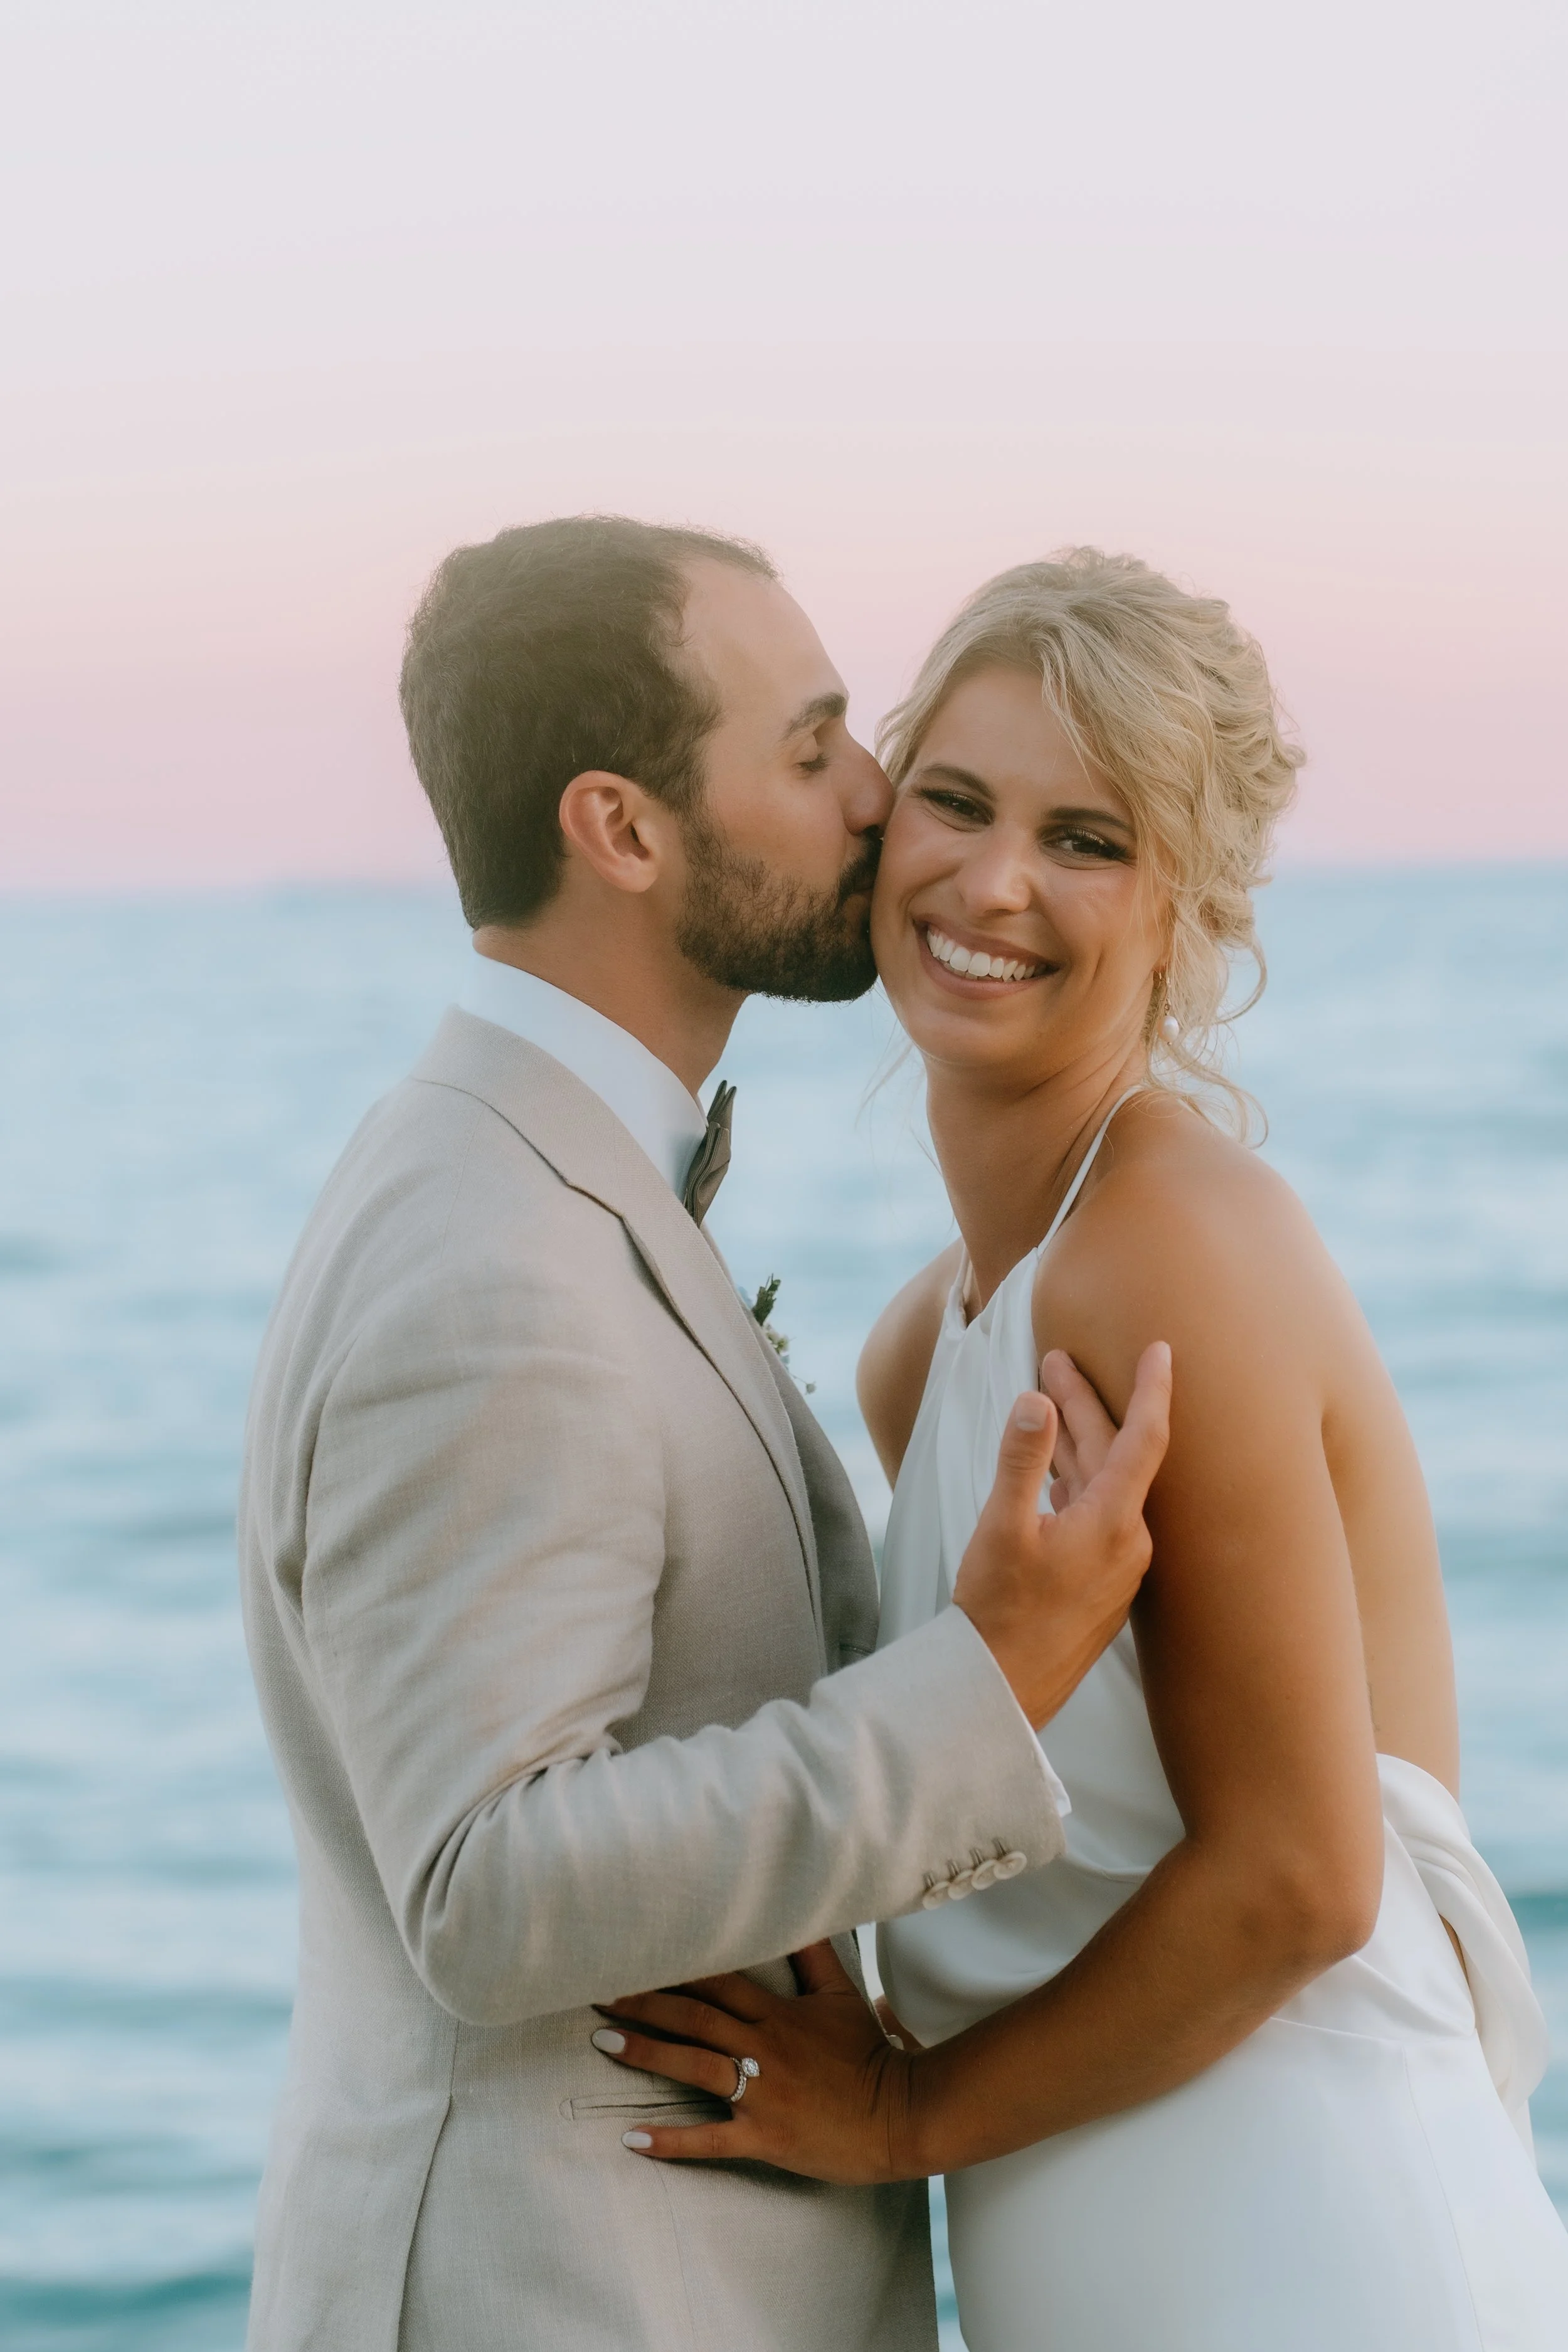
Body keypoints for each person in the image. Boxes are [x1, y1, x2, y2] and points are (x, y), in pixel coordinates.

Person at [590, 550, 1568, 2349]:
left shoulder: (1165, 1240)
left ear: (1183, 903)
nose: (994, 880)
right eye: (952, 803)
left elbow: (1298, 1877)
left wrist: (897, 2119)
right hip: (1099, 2248)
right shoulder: (923, 1340)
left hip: (1307, 2234)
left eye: (1087, 838)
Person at [237, 517, 1172, 2352]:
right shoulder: (490, 1258)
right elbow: (488, 1885)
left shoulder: (538, 1176)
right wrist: (991, 1680)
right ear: (625, 829)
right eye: (812, 745)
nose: (875, 796)